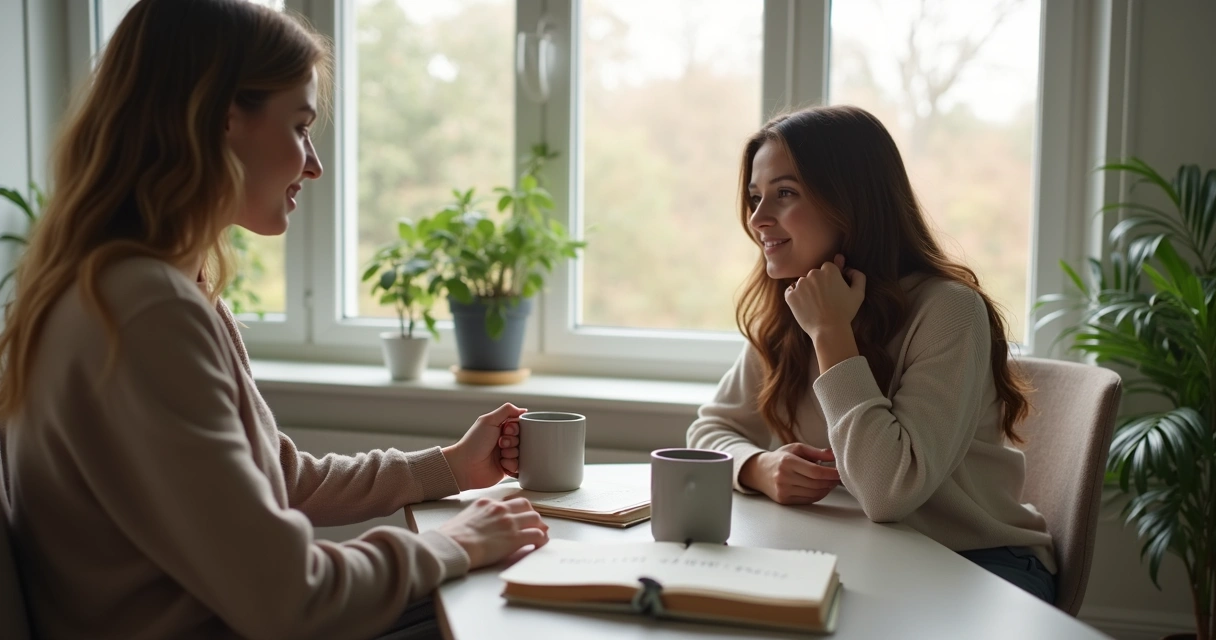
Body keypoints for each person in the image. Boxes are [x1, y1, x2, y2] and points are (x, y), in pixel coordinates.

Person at [0, 1, 546, 638]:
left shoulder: (151, 284)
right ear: (224, 119)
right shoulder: (145, 310)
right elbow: (288, 595)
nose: (312, 163)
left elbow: (274, 479)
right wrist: (459, 544)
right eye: (299, 126)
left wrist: (448, 468)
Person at [687, 105, 1057, 604]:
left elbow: (889, 492)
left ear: (851, 201)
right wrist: (758, 468)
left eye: (785, 194)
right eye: (755, 197)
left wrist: (832, 334)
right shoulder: (795, 305)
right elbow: (710, 430)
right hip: (857, 556)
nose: (758, 219)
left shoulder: (949, 310)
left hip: (977, 564)